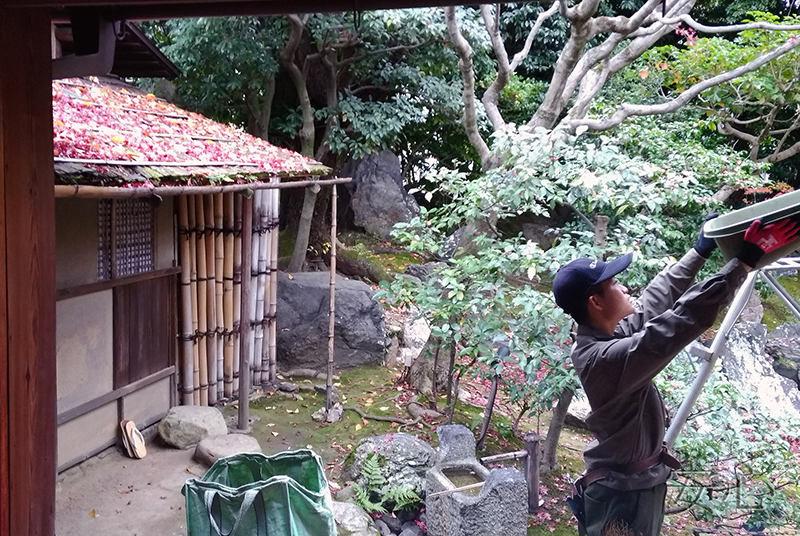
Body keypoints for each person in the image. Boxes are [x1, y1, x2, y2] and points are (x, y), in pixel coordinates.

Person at [552, 216, 799, 536]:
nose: (623, 286)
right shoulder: (603, 359)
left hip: (633, 486)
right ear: (595, 302)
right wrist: (743, 261)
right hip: (622, 498)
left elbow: (653, 305)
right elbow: (673, 326)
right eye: (613, 283)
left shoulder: (603, 336)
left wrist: (700, 251)